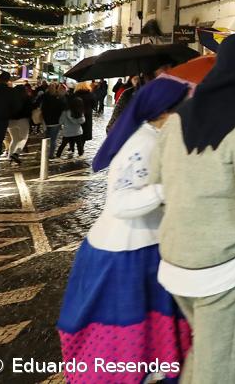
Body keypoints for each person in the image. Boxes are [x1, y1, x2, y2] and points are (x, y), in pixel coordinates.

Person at [154, 34, 235, 384]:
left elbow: (158, 181)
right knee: (221, 368)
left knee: (204, 352)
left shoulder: (179, 117)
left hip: (175, 259)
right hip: (224, 264)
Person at [57, 78, 192, 379]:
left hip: (145, 250)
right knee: (126, 340)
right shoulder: (141, 143)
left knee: (151, 336)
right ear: (165, 113)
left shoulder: (154, 137)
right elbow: (121, 201)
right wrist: (167, 189)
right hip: (123, 256)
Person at [6, 84, 33, 165]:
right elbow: (29, 109)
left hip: (10, 121)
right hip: (22, 120)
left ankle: (10, 157)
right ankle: (16, 153)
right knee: (23, 138)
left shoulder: (10, 99)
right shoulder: (26, 98)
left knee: (14, 139)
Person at [40, 83, 66, 158]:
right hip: (55, 122)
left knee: (46, 138)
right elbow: (63, 108)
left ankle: (45, 153)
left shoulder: (44, 97)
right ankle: (51, 155)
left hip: (45, 121)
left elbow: (41, 108)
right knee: (53, 139)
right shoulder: (58, 98)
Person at [74, 82, 97, 148]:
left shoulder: (75, 94)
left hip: (77, 114)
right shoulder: (91, 94)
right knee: (85, 131)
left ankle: (76, 144)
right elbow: (94, 105)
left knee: (76, 130)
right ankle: (81, 146)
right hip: (87, 115)